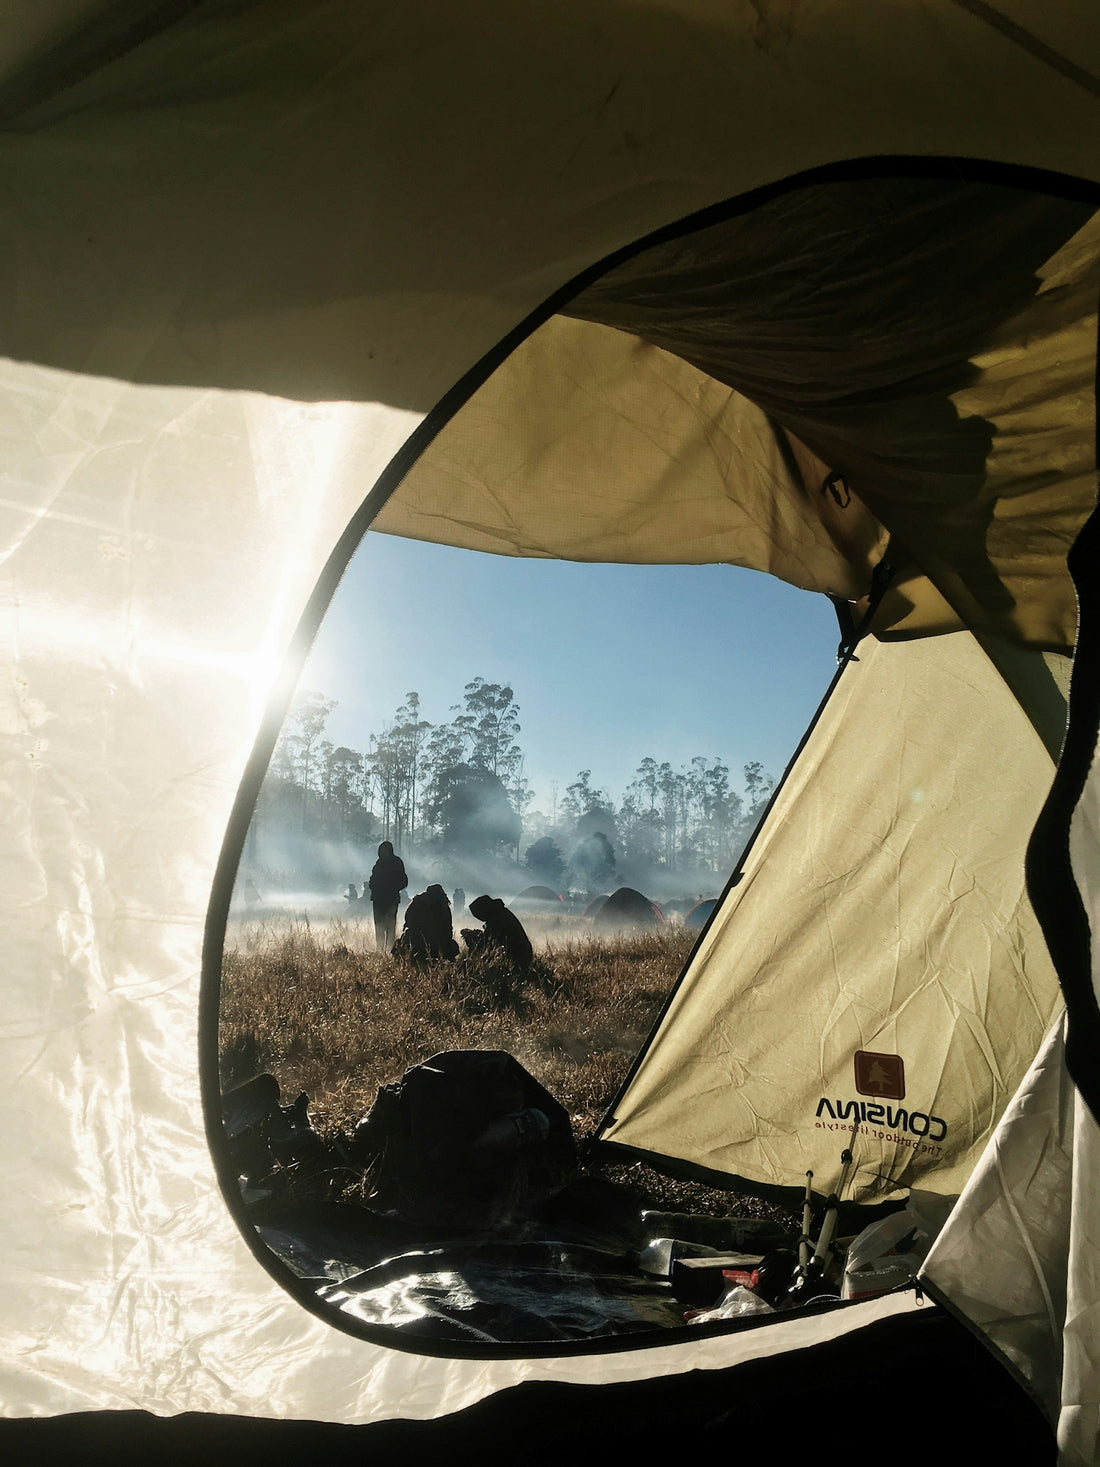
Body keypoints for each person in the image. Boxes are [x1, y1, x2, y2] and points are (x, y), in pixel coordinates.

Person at [461, 894, 534, 970]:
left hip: (518, 956)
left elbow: (485, 944)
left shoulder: (497, 919)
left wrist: (471, 939)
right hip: (522, 953)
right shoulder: (500, 913)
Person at [394, 883, 459, 965]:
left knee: (400, 944)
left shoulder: (417, 902)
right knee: (452, 947)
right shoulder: (444, 905)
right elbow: (448, 929)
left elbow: (408, 921)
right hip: (436, 943)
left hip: (416, 942)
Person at [367, 840, 408, 952]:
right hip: (378, 900)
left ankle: (390, 950)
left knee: (390, 926)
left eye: (385, 850)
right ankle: (379, 949)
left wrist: (390, 888)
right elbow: (372, 880)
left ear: (390, 851)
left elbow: (403, 881)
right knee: (379, 926)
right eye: (381, 851)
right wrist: (373, 886)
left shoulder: (397, 863)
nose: (383, 853)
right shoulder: (378, 864)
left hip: (391, 900)